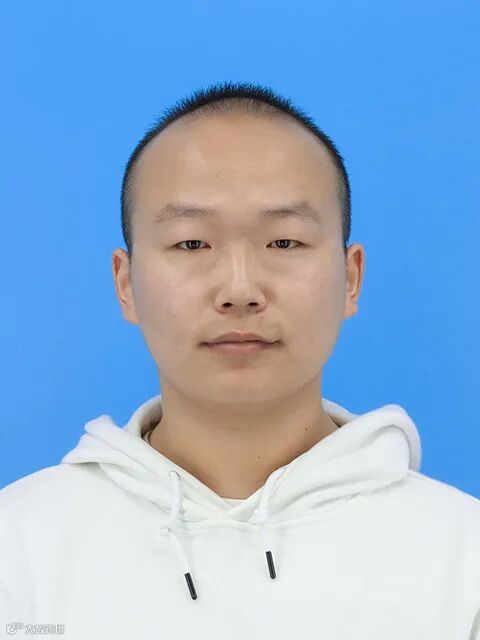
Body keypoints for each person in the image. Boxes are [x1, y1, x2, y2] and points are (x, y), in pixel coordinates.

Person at [1, 81, 479, 639]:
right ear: (125, 283)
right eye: (191, 243)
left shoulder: (462, 558)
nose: (240, 290)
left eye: (284, 243)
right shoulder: (19, 544)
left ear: (351, 278)